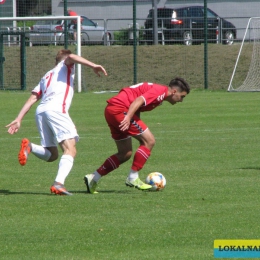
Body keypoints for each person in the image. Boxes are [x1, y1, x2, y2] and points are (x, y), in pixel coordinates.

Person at [6, 49, 107, 196]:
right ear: (65, 61)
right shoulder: (64, 65)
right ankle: (58, 184)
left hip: (41, 111)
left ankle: (30, 147)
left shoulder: (46, 75)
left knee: (52, 154)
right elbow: (72, 56)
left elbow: (33, 98)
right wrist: (93, 65)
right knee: (70, 149)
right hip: (56, 110)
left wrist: (19, 118)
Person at [84, 78, 190, 194]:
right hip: (121, 110)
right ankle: (133, 178)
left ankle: (94, 178)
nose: (181, 100)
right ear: (174, 91)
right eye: (182, 96)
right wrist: (128, 117)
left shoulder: (160, 94)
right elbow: (139, 100)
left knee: (125, 153)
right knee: (149, 141)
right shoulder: (160, 91)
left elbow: (135, 100)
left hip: (112, 109)